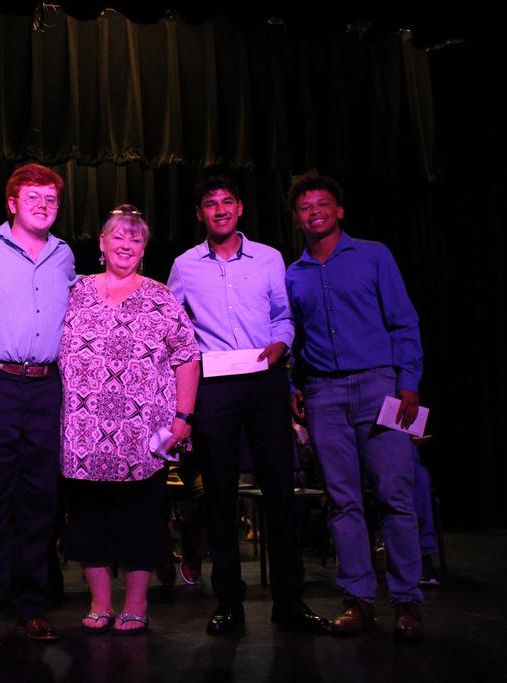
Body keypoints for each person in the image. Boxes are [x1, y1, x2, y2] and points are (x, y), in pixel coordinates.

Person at [167, 175, 329, 637]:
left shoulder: (269, 258)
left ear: (240, 208)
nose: (219, 210)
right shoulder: (184, 265)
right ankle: (228, 602)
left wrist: (281, 344)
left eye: (227, 202)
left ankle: (289, 600)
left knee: (280, 491)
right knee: (219, 494)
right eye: (210, 203)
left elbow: (283, 315)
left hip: (264, 380)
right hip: (215, 386)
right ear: (200, 214)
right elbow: (174, 328)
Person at [285, 174, 426, 640]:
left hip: (379, 387)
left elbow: (403, 322)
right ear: (297, 218)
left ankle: (407, 602)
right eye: (306, 207)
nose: (315, 212)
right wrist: (294, 384)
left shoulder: (373, 255)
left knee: (394, 495)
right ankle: (359, 600)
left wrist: (408, 383)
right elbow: (292, 336)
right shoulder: (294, 274)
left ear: (339, 210)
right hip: (324, 394)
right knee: (342, 500)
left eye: (323, 204)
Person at [59, 205, 200, 635]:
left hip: (141, 435)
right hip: (82, 433)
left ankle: (136, 604)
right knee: (88, 523)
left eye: (135, 239)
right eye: (117, 237)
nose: (125, 245)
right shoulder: (76, 291)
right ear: (101, 243)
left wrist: (183, 417)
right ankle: (100, 603)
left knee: (140, 522)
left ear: (144, 249)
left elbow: (187, 356)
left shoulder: (160, 296)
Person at [0, 163, 76, 647]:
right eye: (33, 198)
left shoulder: (64, 254)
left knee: (39, 500)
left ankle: (33, 606)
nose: (43, 206)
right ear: (11, 203)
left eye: (50, 200)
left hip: (46, 387)